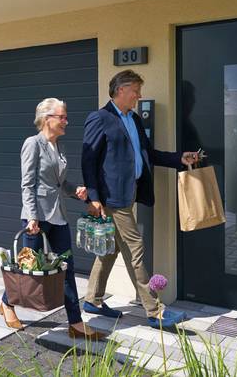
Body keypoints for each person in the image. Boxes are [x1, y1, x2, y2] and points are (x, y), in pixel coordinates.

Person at [81, 70, 199, 329]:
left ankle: (93, 300)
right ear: (120, 90)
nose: (139, 95)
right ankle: (154, 311)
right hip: (112, 198)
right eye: (135, 90)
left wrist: (179, 158)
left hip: (129, 193)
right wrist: (94, 197)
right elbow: (88, 161)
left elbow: (149, 154)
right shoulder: (100, 118)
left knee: (111, 249)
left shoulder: (133, 119)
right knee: (135, 248)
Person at [0, 98, 105, 340]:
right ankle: (7, 302)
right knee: (27, 268)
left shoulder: (60, 146)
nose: (66, 121)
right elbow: (27, 184)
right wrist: (32, 217)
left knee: (66, 267)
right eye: (62, 117)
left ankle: (75, 323)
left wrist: (75, 191)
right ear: (47, 119)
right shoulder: (33, 144)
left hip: (59, 216)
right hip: (37, 218)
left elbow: (59, 184)